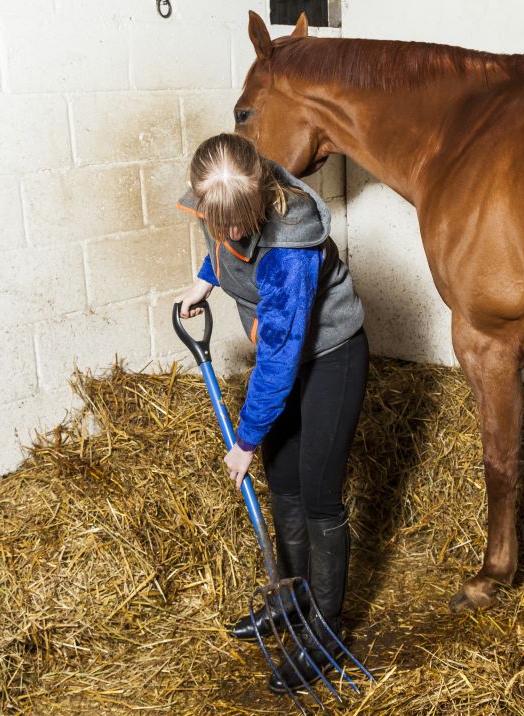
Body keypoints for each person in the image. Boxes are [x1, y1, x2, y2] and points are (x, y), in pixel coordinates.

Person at [174, 132, 368, 693]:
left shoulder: (289, 246)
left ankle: (326, 633)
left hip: (332, 357)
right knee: (282, 479)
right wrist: (205, 280)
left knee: (317, 492)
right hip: (285, 356)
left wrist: (245, 439)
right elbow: (227, 248)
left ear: (262, 196)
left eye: (242, 221)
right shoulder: (222, 188)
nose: (232, 231)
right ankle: (292, 598)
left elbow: (279, 359)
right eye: (220, 221)